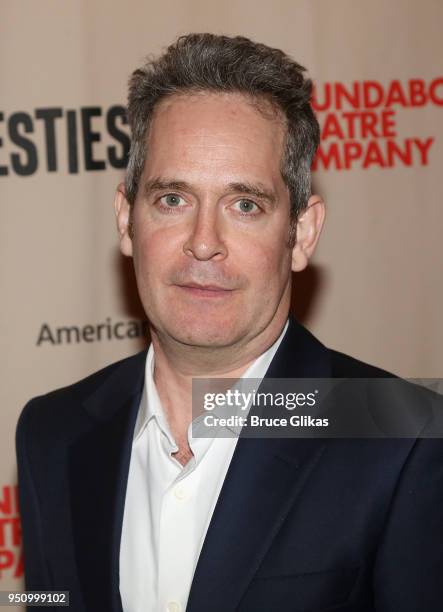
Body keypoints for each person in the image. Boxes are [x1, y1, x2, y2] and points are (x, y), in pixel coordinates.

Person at [16, 33, 443, 612]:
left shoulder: (405, 438)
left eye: (245, 205)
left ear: (303, 232)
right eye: (173, 199)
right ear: (126, 219)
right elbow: (51, 599)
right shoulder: (53, 431)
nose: (203, 243)